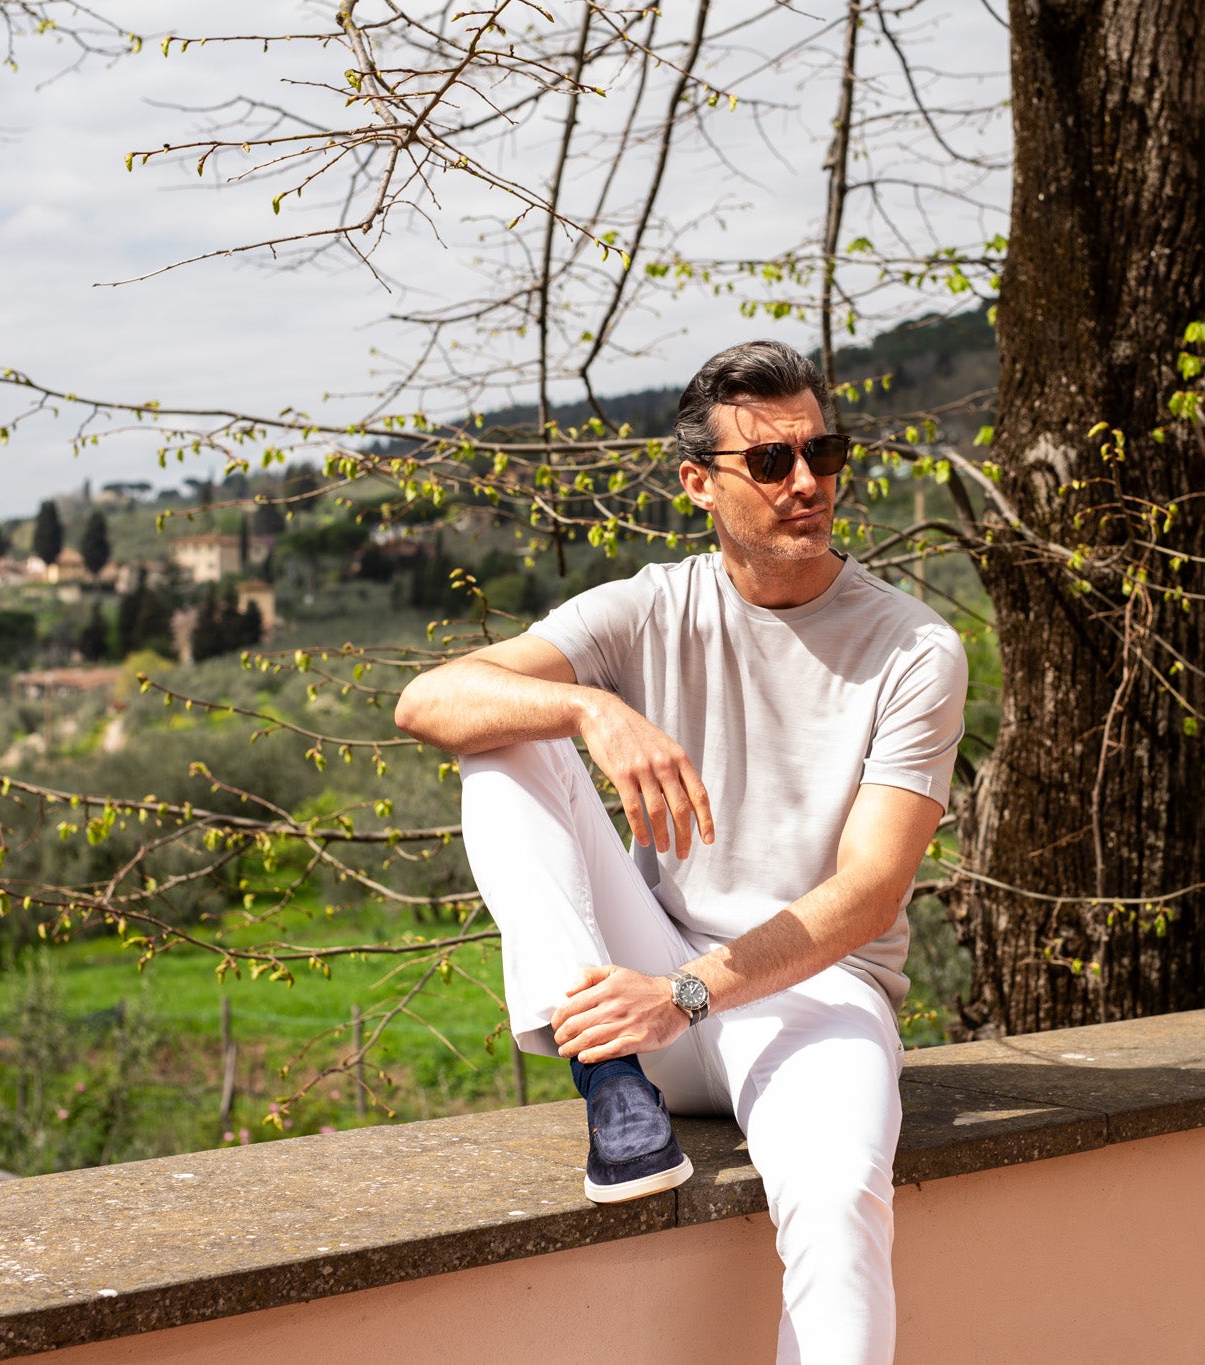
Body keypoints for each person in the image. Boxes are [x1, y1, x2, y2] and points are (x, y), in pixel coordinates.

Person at [392, 339, 967, 1364]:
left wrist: (688, 994)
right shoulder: (649, 607)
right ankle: (608, 1086)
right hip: (643, 996)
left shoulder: (912, 649)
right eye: (772, 463)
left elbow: (871, 893)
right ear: (700, 484)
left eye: (822, 454)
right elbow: (425, 701)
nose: (808, 484)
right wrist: (588, 708)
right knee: (503, 740)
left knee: (837, 1210)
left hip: (807, 991)